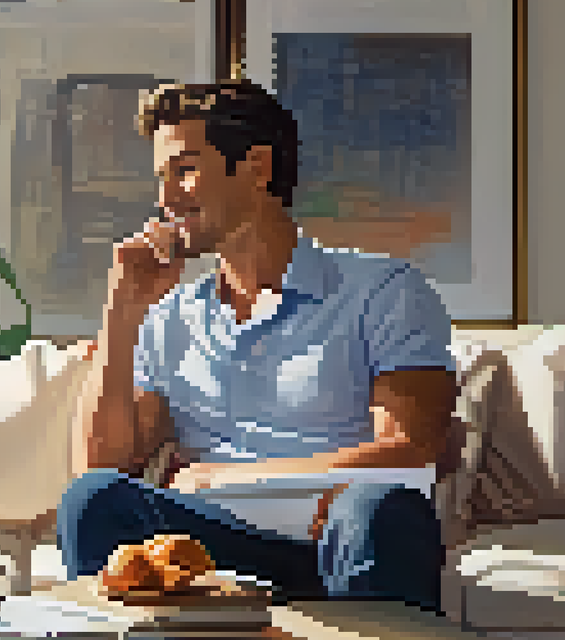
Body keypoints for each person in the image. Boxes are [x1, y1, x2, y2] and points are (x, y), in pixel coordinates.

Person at [57, 80, 458, 612]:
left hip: (336, 540)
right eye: (162, 178)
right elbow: (101, 464)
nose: (165, 199)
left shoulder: (383, 291)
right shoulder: (171, 315)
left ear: (257, 168)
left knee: (380, 506)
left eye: (185, 171)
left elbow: (409, 448)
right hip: (212, 548)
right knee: (93, 499)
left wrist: (223, 477)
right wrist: (122, 313)